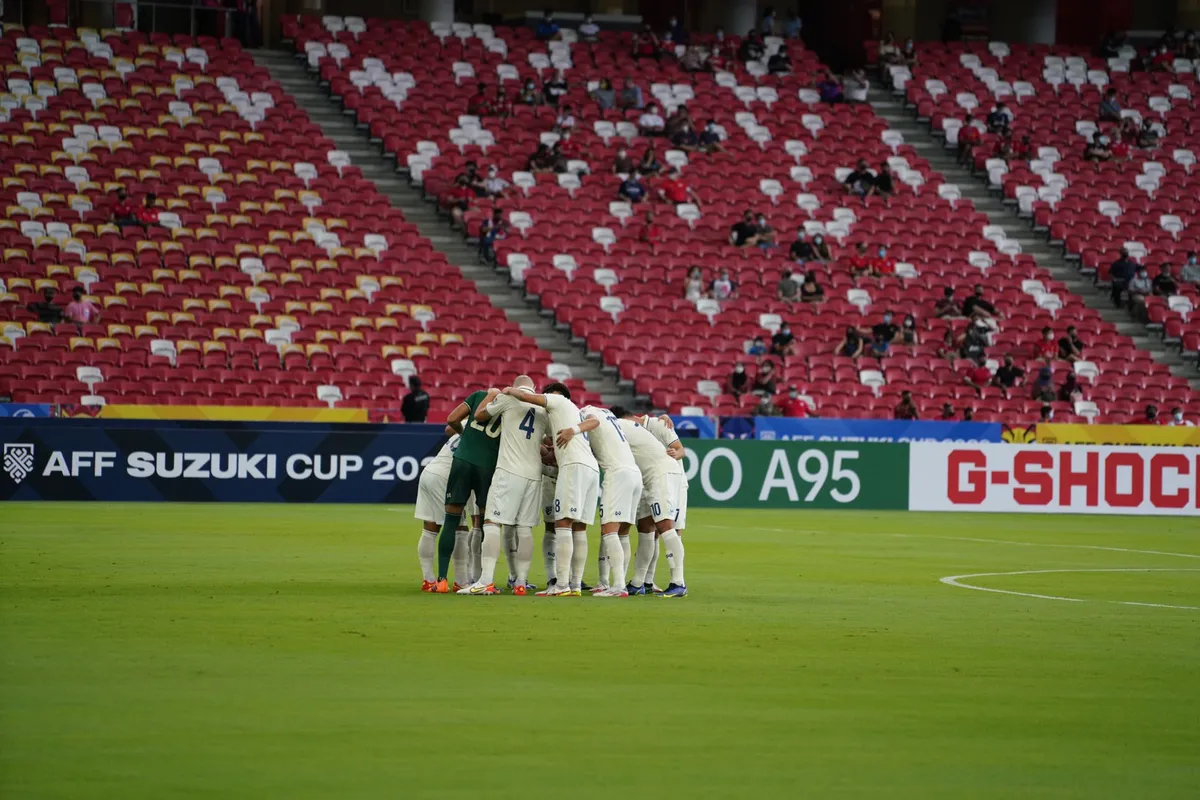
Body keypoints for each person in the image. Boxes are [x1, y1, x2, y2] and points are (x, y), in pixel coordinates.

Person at [502, 383, 600, 596]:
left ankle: (562, 585)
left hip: (572, 467)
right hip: (590, 468)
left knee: (562, 523)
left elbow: (530, 398)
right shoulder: (573, 413)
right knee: (579, 527)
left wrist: (513, 391)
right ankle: (574, 584)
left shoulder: (557, 403)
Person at [610, 408, 688, 597]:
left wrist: (675, 454)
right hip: (647, 478)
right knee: (646, 528)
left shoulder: (658, 424)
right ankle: (638, 583)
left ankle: (678, 582)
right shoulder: (633, 429)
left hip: (665, 476)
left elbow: (680, 449)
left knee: (667, 527)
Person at [431, 387, 503, 593]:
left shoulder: (478, 396)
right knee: (483, 524)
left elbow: (452, 419)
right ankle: (481, 580)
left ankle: (442, 580)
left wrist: (466, 433)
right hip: (487, 467)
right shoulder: (509, 406)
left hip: (462, 460)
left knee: (451, 520)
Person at [573, 403, 644, 597]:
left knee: (609, 531)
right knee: (623, 533)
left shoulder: (586, 412)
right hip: (634, 473)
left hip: (617, 473)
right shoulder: (610, 416)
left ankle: (618, 585)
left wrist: (573, 430)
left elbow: (592, 423)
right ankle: (615, 583)